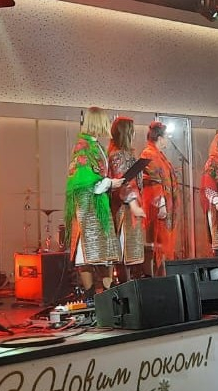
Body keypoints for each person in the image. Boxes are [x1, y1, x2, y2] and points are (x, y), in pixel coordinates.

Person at [65, 107, 123, 293]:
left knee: (104, 250)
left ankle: (107, 291)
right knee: (88, 251)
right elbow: (83, 180)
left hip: (99, 203)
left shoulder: (96, 146)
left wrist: (110, 183)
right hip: (88, 206)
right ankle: (90, 294)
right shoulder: (83, 147)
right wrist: (109, 183)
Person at [108, 117, 146, 282]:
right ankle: (125, 286)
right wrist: (134, 204)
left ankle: (130, 284)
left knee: (130, 251)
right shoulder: (117, 155)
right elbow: (122, 182)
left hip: (131, 205)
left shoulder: (128, 154)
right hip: (123, 208)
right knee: (124, 250)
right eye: (132, 130)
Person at [140, 121, 180, 276]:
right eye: (166, 137)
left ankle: (161, 276)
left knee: (161, 245)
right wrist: (161, 203)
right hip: (156, 208)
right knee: (154, 244)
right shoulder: (149, 153)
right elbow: (153, 181)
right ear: (160, 138)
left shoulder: (159, 154)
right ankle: (154, 277)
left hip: (165, 206)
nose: (167, 140)